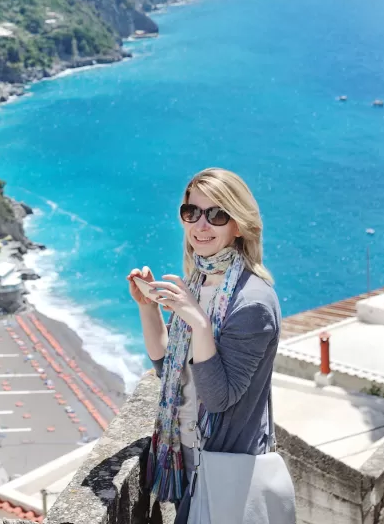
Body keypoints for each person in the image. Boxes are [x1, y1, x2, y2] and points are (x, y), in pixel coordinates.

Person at [126, 168, 281, 524]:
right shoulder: (198, 283)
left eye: (217, 214)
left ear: (238, 225)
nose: (201, 225)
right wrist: (148, 308)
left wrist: (199, 323)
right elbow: (171, 372)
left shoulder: (252, 303)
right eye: (192, 212)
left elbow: (218, 398)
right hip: (186, 461)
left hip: (224, 468)